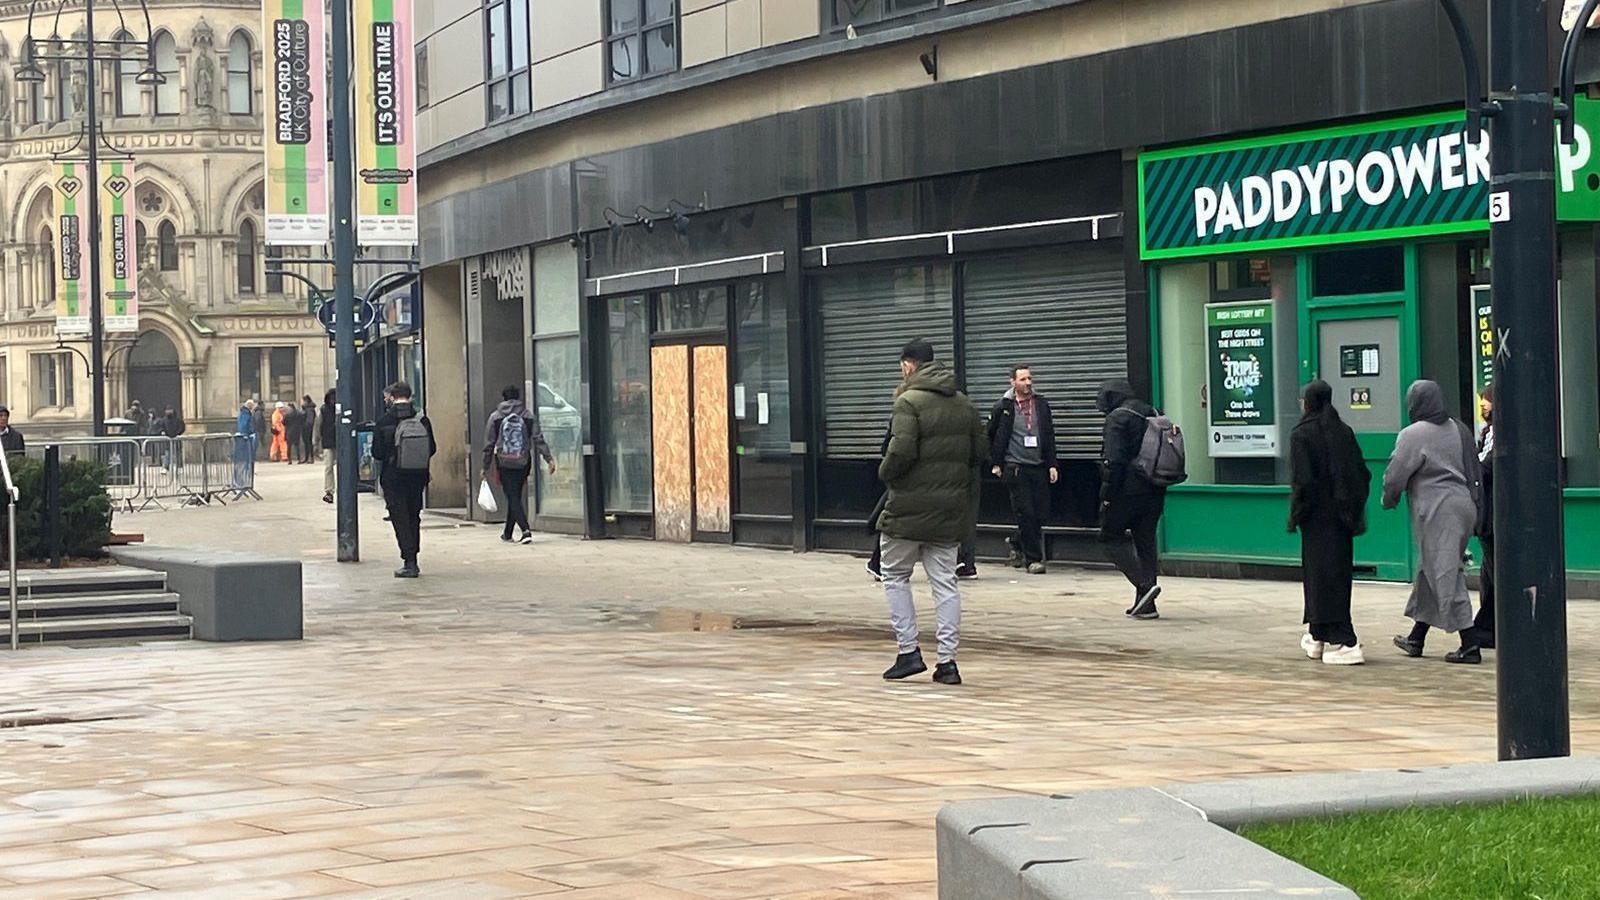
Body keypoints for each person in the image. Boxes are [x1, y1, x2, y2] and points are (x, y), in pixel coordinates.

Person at [877, 339, 985, 686]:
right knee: (946, 584)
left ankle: (908, 651)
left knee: (894, 575)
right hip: (950, 508)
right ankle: (948, 662)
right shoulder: (964, 403)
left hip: (907, 506)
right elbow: (978, 452)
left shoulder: (907, 402)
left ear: (908, 366)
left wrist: (885, 472)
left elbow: (901, 452)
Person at [1384, 380, 1483, 664]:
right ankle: (1417, 636)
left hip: (1438, 510)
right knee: (1433, 569)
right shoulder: (1457, 427)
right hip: (1464, 505)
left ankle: (1470, 643)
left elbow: (1396, 474)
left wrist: (1388, 499)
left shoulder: (1413, 434)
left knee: (1446, 573)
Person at [1288, 381, 1372, 666]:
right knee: (1335, 576)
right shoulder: (1342, 431)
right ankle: (1317, 634)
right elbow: (1362, 473)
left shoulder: (1302, 434)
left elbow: (1303, 481)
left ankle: (1345, 640)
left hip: (1315, 518)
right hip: (1341, 519)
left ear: (1307, 402)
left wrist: (1296, 513)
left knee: (1317, 576)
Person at [1096, 379, 1167, 620]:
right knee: (1146, 542)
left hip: (1127, 491)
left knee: (1109, 538)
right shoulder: (1152, 412)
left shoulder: (1118, 417)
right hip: (1155, 488)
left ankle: (1145, 587)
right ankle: (1147, 606)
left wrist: (1106, 496)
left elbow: (1114, 461)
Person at [987, 365, 1059, 574]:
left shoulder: (1041, 404)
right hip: (1015, 466)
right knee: (1026, 511)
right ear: (1012, 382)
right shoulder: (1003, 407)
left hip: (1038, 465)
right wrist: (996, 463)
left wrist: (1052, 464)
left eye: (1030, 379)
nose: (1028, 383)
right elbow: (991, 435)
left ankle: (1017, 542)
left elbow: (1049, 435)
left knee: (1041, 513)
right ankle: (1033, 560)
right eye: (1023, 379)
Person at [370, 382, 435, 577]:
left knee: (400, 518)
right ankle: (413, 555)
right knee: (414, 515)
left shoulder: (383, 421)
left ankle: (409, 560)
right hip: (417, 476)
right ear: (410, 396)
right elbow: (432, 448)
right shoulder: (423, 420)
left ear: (391, 397)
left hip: (393, 477)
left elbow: (377, 453)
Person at [483, 385, 556, 544]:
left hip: (504, 462)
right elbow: (538, 438)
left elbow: (489, 444)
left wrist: (485, 466)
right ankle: (507, 533)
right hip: (523, 461)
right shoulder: (528, 415)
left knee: (512, 495)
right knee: (514, 494)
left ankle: (525, 530)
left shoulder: (495, 417)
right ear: (518, 398)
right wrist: (548, 458)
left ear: (504, 398)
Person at [1473, 384, 1496, 650]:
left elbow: (1486, 467)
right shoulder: (1487, 432)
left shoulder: (1499, 433)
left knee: (1493, 570)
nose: (1483, 405)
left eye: (1487, 401)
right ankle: (1487, 625)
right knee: (1488, 571)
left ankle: (1488, 626)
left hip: (1492, 512)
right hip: (1486, 512)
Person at [233, 399, 257, 488]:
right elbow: (244, 426)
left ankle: (243, 481)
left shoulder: (245, 413)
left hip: (245, 439)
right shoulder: (245, 414)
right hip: (244, 440)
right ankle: (241, 482)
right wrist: (248, 434)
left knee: (244, 462)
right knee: (242, 462)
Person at [320, 389, 338, 504]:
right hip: (328, 441)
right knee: (328, 467)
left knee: (341, 468)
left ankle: (342, 489)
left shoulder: (341, 408)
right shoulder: (324, 410)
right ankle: (329, 491)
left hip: (339, 441)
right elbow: (319, 426)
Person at [283, 401, 304, 465]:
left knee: (289, 446)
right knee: (297, 446)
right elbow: (302, 421)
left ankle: (290, 460)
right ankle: (299, 459)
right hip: (297, 431)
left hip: (289, 431)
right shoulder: (298, 413)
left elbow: (284, 422)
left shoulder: (287, 414)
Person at [300, 395, 318, 463]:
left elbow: (310, 420)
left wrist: (306, 426)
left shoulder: (309, 409)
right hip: (306, 427)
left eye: (303, 401)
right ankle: (307, 457)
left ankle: (310, 457)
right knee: (306, 443)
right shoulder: (306, 408)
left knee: (308, 442)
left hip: (307, 428)